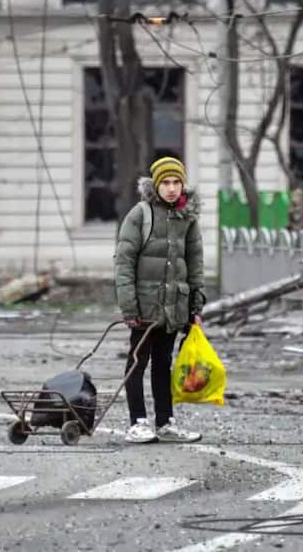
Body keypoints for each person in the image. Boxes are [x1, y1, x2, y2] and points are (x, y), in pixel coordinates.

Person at [113, 156, 205, 444]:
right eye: (165, 182)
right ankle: (137, 422)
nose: (171, 188)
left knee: (164, 364)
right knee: (137, 361)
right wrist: (129, 306)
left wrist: (195, 307)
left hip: (174, 306)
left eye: (176, 182)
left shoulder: (187, 219)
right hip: (145, 305)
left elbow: (195, 264)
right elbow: (124, 263)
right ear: (155, 185)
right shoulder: (140, 215)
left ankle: (166, 422)